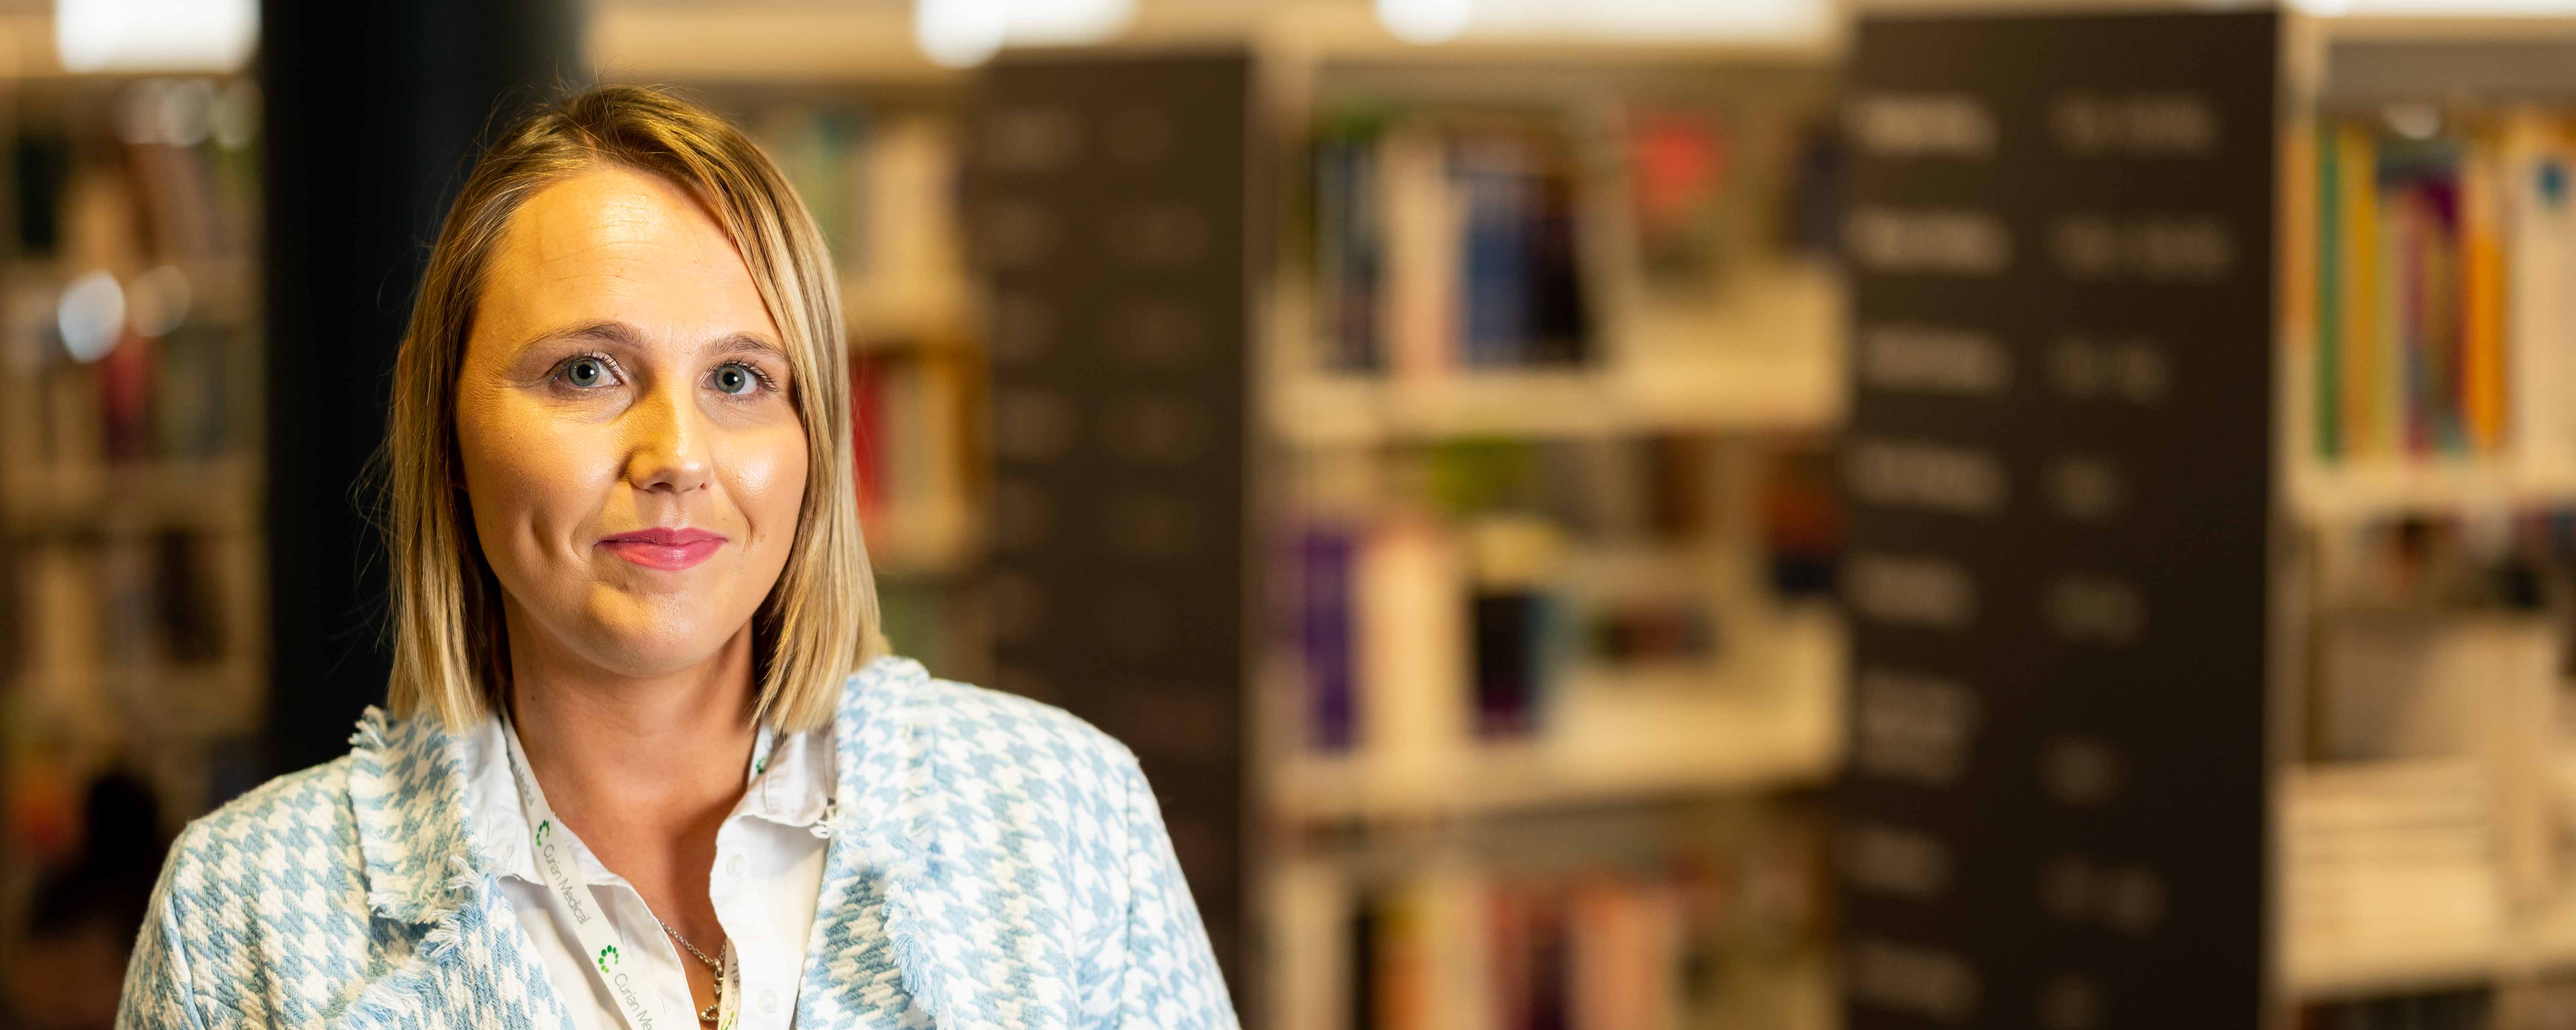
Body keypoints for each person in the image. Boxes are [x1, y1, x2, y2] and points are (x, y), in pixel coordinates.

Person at [114, 84, 1238, 1030]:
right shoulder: (242, 914)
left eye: (740, 379)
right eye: (587, 372)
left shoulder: (1062, 815)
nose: (678, 457)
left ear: (815, 433)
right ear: (439, 416)